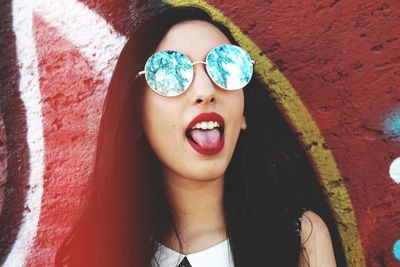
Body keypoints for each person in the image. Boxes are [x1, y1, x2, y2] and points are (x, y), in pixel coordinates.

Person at [56, 5, 340, 267]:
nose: (205, 91)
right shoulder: (99, 254)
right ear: (135, 117)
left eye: (226, 66)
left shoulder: (298, 240)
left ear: (244, 115)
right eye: (169, 72)